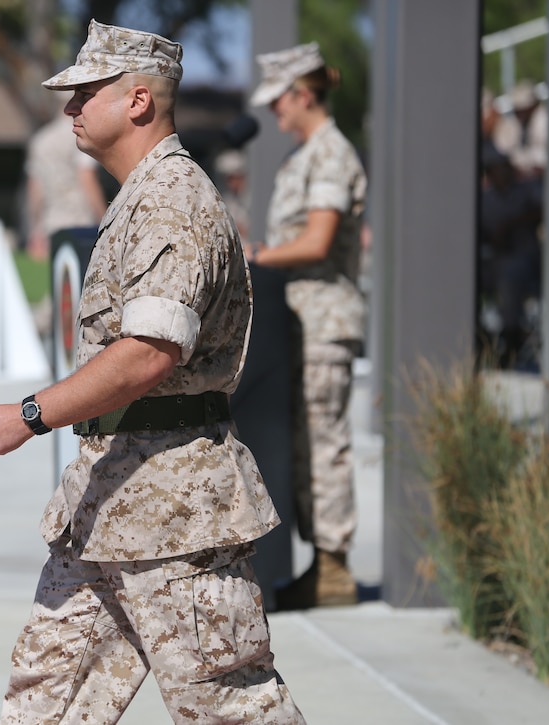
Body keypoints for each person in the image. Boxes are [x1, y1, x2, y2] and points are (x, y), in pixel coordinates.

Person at [0, 19, 306, 725]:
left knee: (226, 708)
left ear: (139, 100)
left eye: (87, 92)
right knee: (44, 703)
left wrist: (30, 415)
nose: (71, 109)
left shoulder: (173, 202)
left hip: (175, 512)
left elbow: (150, 351)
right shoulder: (138, 198)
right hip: (108, 502)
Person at [244, 42, 367, 611]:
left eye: (279, 102)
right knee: (302, 445)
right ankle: (320, 562)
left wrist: (259, 255)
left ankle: (334, 566)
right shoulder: (304, 156)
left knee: (323, 443)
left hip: (324, 319)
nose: (275, 114)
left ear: (301, 93)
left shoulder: (331, 154)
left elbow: (317, 241)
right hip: (298, 320)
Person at [479, 142, 543, 367]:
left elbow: (544, 210)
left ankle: (511, 340)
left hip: (524, 261)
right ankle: (480, 338)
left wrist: (513, 224)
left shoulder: (527, 190)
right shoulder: (484, 198)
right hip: (492, 261)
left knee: (510, 278)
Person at [24, 114, 108, 261]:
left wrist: (36, 227)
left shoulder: (41, 139)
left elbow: (35, 189)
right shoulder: (81, 135)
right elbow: (87, 178)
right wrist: (105, 219)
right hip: (81, 219)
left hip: (51, 220)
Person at [492, 79, 548, 180]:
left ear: (532, 106)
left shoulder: (543, 121)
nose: (518, 113)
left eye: (521, 109)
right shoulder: (522, 121)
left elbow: (542, 158)